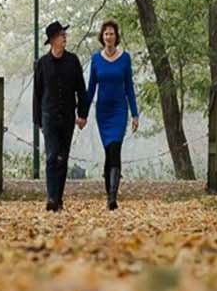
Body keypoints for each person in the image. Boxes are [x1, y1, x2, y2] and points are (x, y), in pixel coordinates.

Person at [32, 21, 90, 211]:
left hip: (67, 116)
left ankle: (58, 197)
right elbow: (37, 93)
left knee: (62, 158)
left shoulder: (73, 61)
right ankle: (51, 197)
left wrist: (82, 114)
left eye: (64, 35)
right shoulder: (42, 64)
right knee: (51, 157)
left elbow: (81, 90)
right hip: (48, 115)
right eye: (60, 35)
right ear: (52, 41)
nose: (64, 38)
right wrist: (38, 120)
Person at [87, 19, 139, 210]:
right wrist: (82, 113)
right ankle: (109, 192)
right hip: (103, 112)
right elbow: (91, 87)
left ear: (116, 37)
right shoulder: (96, 59)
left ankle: (112, 197)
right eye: (106, 33)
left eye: (112, 33)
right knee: (109, 151)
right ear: (103, 37)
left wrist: (135, 114)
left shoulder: (125, 58)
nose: (109, 36)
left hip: (119, 110)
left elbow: (130, 88)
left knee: (115, 147)